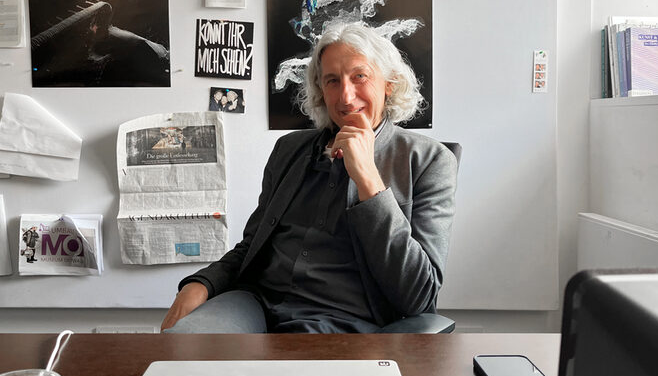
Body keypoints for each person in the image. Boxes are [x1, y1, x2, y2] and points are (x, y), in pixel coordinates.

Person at [162, 22, 457, 333]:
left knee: (291, 373)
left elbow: (419, 296)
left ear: (389, 83)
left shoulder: (428, 161)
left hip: (347, 320)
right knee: (184, 344)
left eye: (360, 76)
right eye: (332, 81)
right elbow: (252, 245)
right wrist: (201, 283)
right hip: (255, 306)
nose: (345, 96)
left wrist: (368, 177)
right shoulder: (289, 149)